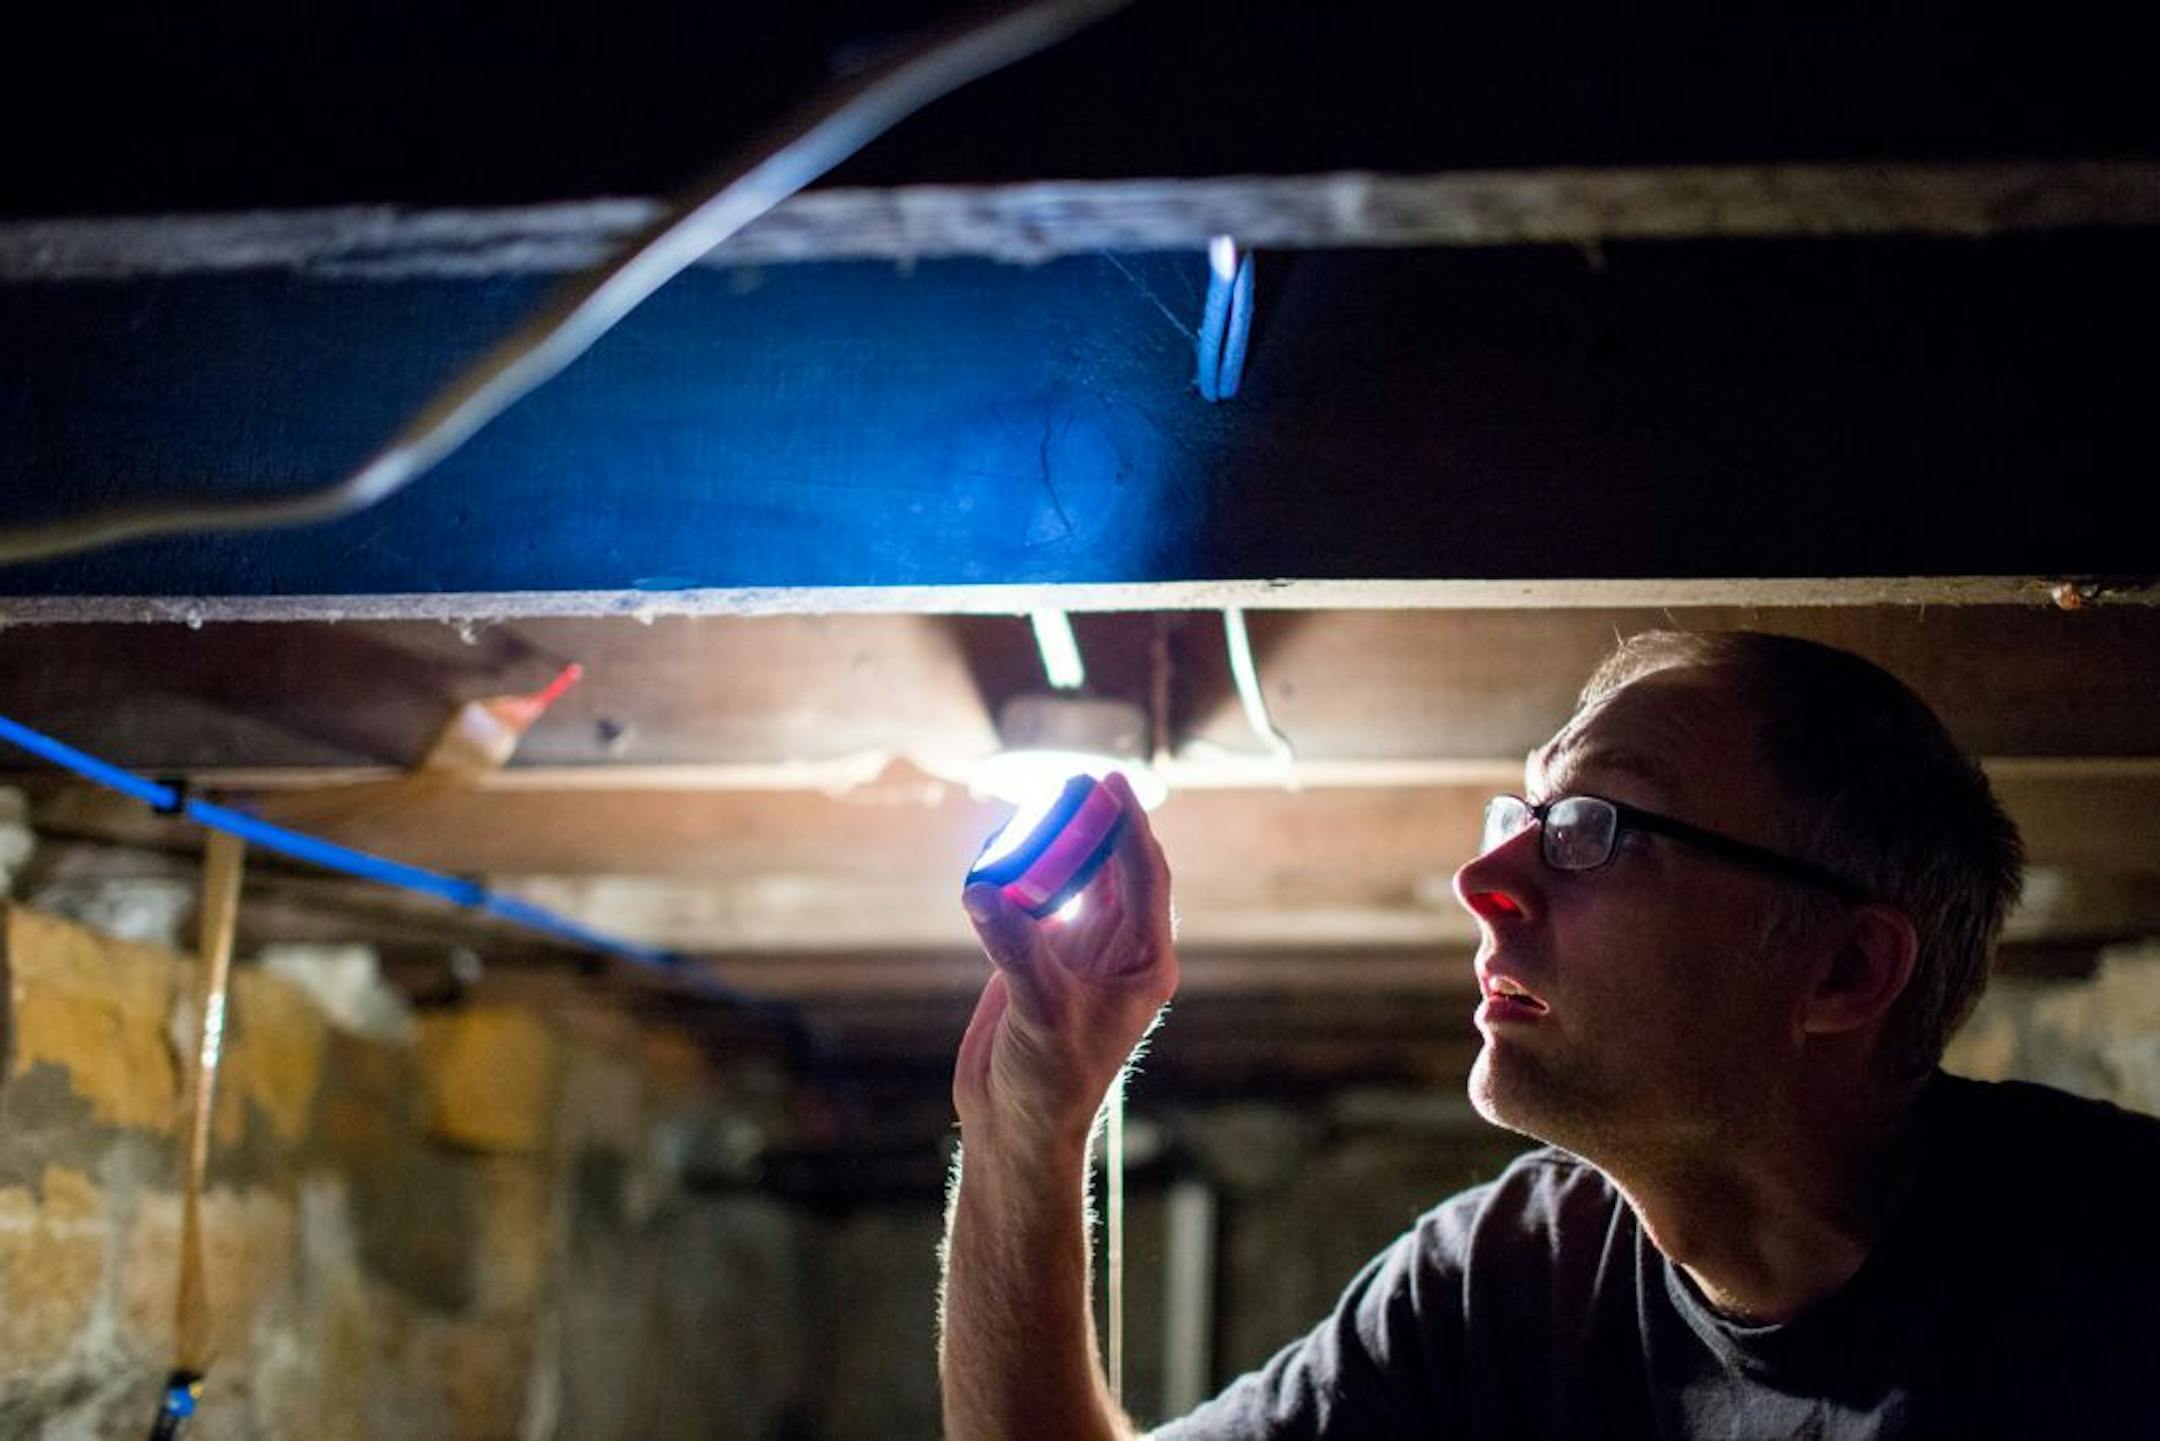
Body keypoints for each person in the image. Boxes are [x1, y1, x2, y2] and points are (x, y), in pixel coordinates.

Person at [937, 630, 2160, 1440]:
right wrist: (1030, 1122)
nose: (1484, 876)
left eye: (1597, 826)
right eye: (1523, 810)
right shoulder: (1508, 1283)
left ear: (1842, 968)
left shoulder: (2115, 1274)